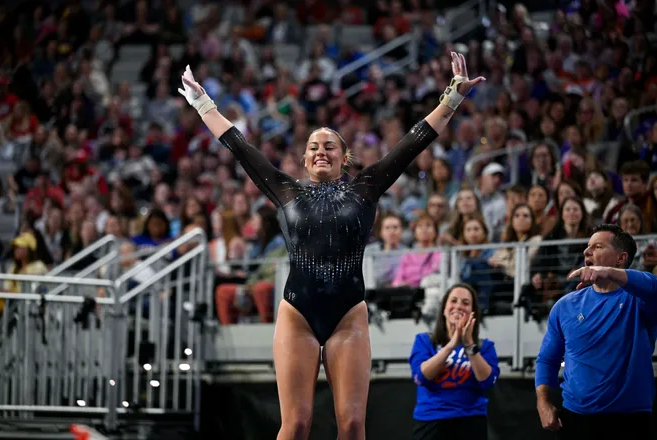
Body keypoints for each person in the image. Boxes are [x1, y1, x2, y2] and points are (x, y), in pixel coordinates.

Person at [178, 52, 484, 440]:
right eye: (313, 147)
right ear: (305, 160)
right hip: (297, 314)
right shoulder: (285, 191)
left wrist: (453, 95)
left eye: (330, 147)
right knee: (297, 423)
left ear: (344, 157)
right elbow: (237, 145)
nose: (321, 151)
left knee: (353, 425)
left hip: (348, 315)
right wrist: (203, 102)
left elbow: (414, 141)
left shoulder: (366, 187)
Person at [535, 224, 657, 439]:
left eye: (597, 246)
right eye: (587, 246)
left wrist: (608, 272)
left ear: (621, 258)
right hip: (576, 419)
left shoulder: (640, 300)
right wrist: (543, 402)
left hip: (631, 420)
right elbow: (547, 359)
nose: (586, 251)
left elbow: (653, 286)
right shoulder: (565, 306)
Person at [409, 283, 500, 440]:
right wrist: (451, 345)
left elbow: (488, 382)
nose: (458, 306)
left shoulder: (484, 347)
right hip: (431, 421)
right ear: (444, 309)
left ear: (473, 313)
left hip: (470, 421)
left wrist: (469, 345)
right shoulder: (424, 341)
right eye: (453, 301)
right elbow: (421, 377)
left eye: (465, 303)